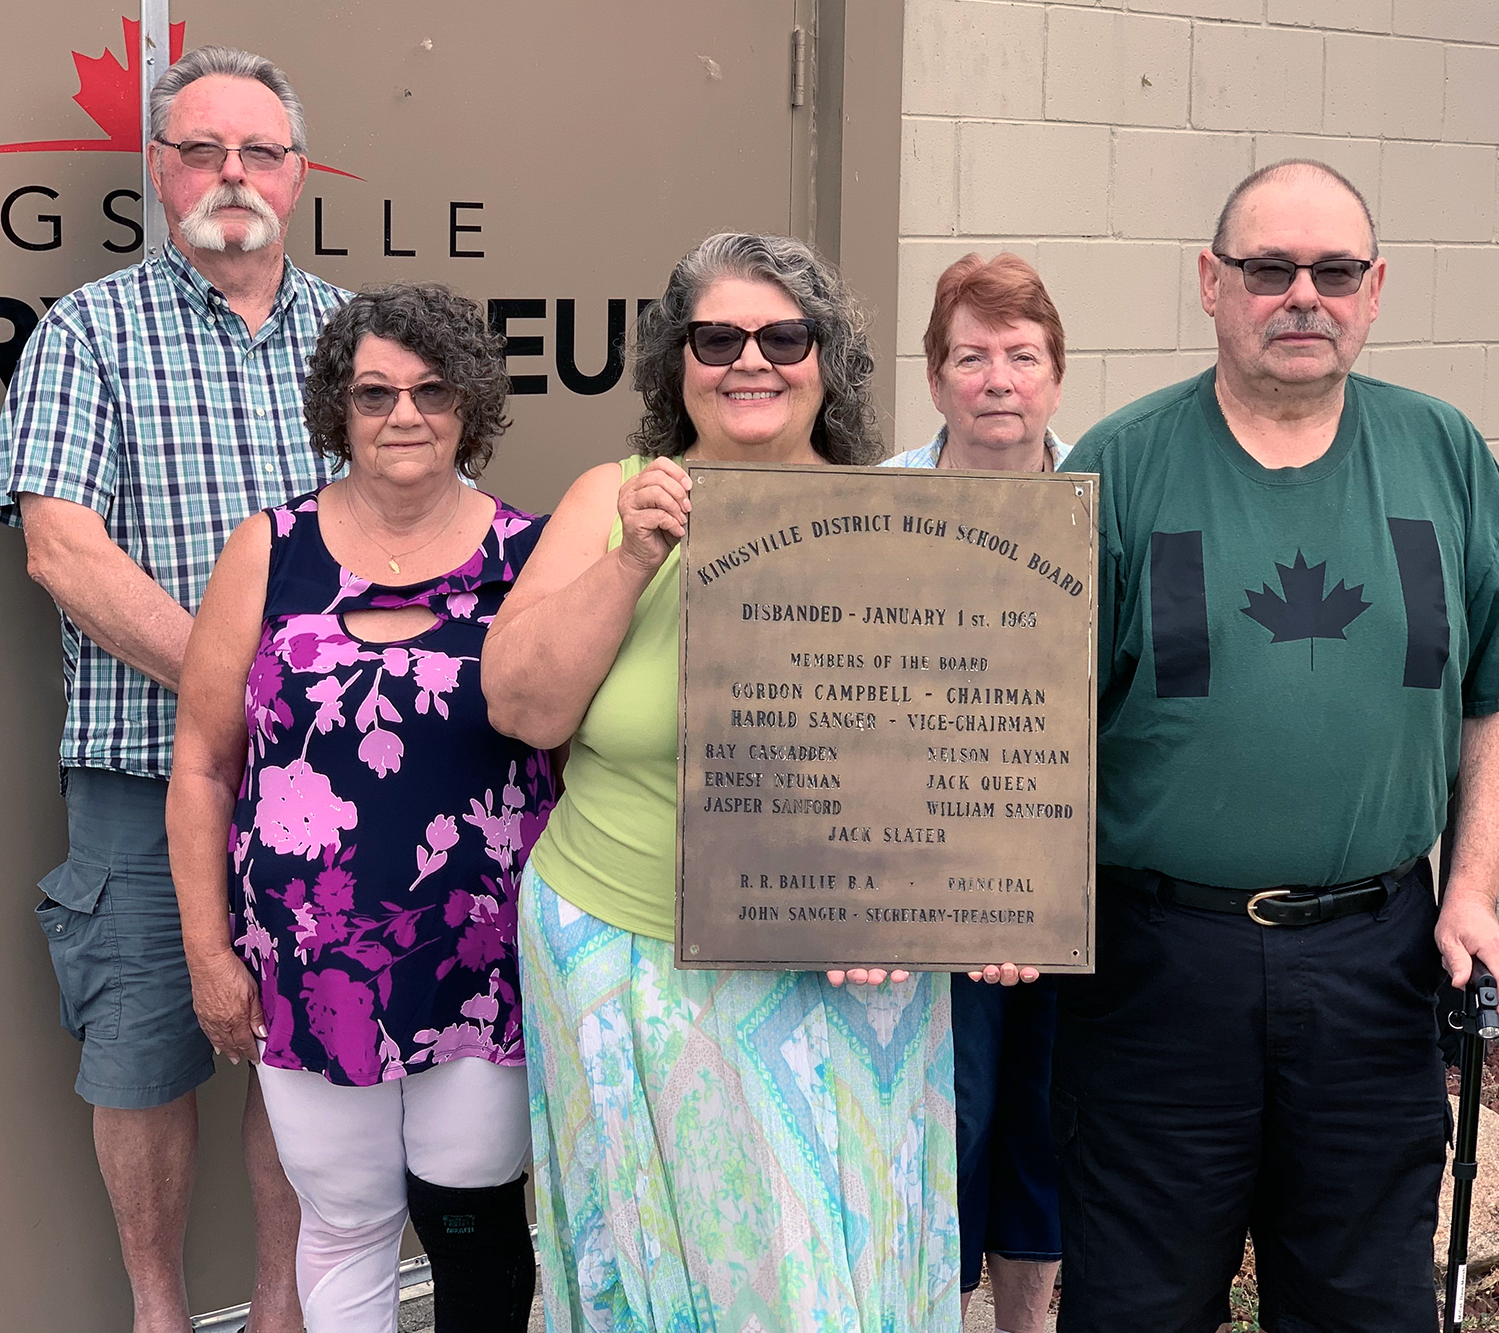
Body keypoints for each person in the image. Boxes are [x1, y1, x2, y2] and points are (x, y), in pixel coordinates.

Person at [1053, 159, 1499, 1332]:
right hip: (1156, 971)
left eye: (1332, 270)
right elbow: (1026, 722)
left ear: (1373, 288)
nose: (1302, 295)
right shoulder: (1119, 465)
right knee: (1134, 1303)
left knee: (1361, 1304)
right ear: (1208, 282)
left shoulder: (1440, 452)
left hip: (1374, 965)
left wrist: (1473, 894)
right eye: (1267, 268)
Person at [482, 232, 961, 1332]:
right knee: (659, 1269)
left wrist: (954, 905)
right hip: (625, 949)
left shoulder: (899, 520)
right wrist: (631, 556)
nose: (751, 360)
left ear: (825, 359)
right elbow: (522, 709)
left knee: (821, 1277)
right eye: (717, 337)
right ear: (674, 362)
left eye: (783, 335)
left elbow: (951, 748)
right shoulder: (613, 497)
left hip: (839, 964)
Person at [0, 45, 348, 1333]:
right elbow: (61, 549)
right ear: (158, 168)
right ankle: (155, 1311)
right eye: (201, 149)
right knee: (142, 1059)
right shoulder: (88, 330)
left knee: (303, 1063)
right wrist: (243, 687)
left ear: (297, 175)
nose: (229, 174)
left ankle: (276, 1310)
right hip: (142, 780)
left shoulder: (353, 341)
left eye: (257, 151)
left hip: (329, 790)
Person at [167, 282, 555, 1333]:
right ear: (336, 406)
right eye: (375, 392)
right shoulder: (268, 550)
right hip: (308, 960)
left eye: (432, 391)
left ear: (471, 404)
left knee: (474, 1221)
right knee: (340, 1222)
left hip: (486, 959)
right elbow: (203, 764)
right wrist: (211, 950)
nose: (404, 415)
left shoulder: (535, 556)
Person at [883, 251, 1066, 1333]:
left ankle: (1029, 1321)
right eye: (971, 355)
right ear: (935, 374)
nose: (997, 378)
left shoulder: (1110, 495)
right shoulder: (880, 503)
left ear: (1053, 372)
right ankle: (937, 1312)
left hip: (1069, 869)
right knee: (948, 1112)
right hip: (921, 872)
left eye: (1021, 354)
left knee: (1045, 1114)